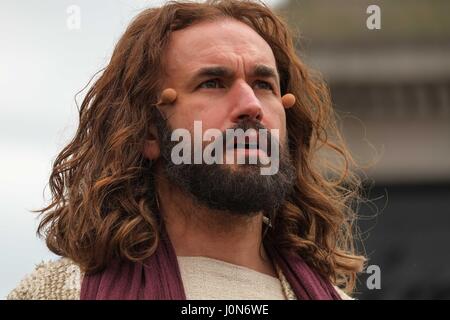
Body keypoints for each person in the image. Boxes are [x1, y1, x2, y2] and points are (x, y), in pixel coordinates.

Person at [8, 0, 365, 300]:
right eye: (212, 83)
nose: (251, 105)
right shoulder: (59, 293)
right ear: (149, 131)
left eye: (264, 84)